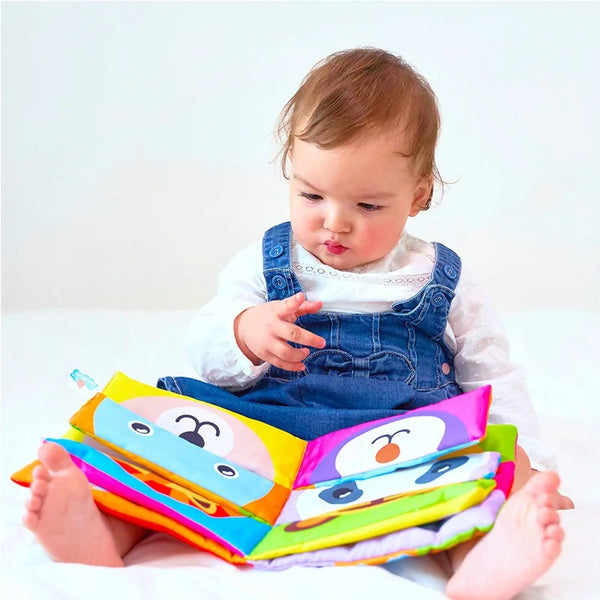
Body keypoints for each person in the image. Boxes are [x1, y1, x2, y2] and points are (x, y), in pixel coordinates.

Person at [24, 48, 573, 600]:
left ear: (419, 194)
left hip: (398, 440)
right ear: (290, 167)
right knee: (162, 446)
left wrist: (530, 461)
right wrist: (245, 331)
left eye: (369, 205)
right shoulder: (264, 262)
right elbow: (205, 348)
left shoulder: (441, 277)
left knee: (499, 460)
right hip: (268, 427)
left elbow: (493, 375)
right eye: (311, 195)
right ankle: (101, 530)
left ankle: (486, 556)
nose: (334, 222)